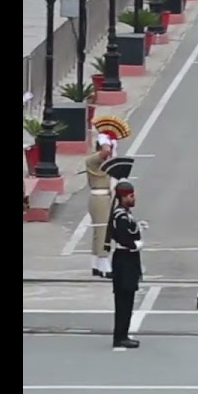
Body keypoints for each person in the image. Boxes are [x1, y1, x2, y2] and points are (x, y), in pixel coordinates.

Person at [85, 116, 132, 278]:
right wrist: (107, 139)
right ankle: (104, 264)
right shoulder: (93, 160)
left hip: (104, 197)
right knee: (103, 231)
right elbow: (105, 152)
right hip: (100, 197)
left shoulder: (104, 163)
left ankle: (96, 264)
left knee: (99, 231)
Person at [106, 179, 143, 349]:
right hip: (124, 259)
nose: (133, 198)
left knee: (127, 300)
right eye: (131, 196)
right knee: (123, 300)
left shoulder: (124, 212)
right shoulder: (120, 215)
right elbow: (122, 236)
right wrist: (135, 244)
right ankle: (120, 336)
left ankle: (123, 334)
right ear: (123, 197)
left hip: (127, 258)